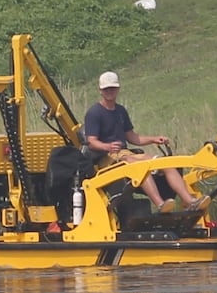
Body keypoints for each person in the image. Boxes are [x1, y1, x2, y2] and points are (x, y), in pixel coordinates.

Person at [84, 71, 210, 213]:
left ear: (118, 89)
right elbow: (91, 142)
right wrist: (107, 146)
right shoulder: (94, 113)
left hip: (125, 154)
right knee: (139, 166)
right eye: (106, 89)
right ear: (100, 91)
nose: (110, 92)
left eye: (112, 88)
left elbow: (132, 137)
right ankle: (161, 204)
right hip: (106, 159)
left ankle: (190, 201)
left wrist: (153, 139)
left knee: (164, 163)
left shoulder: (120, 111)